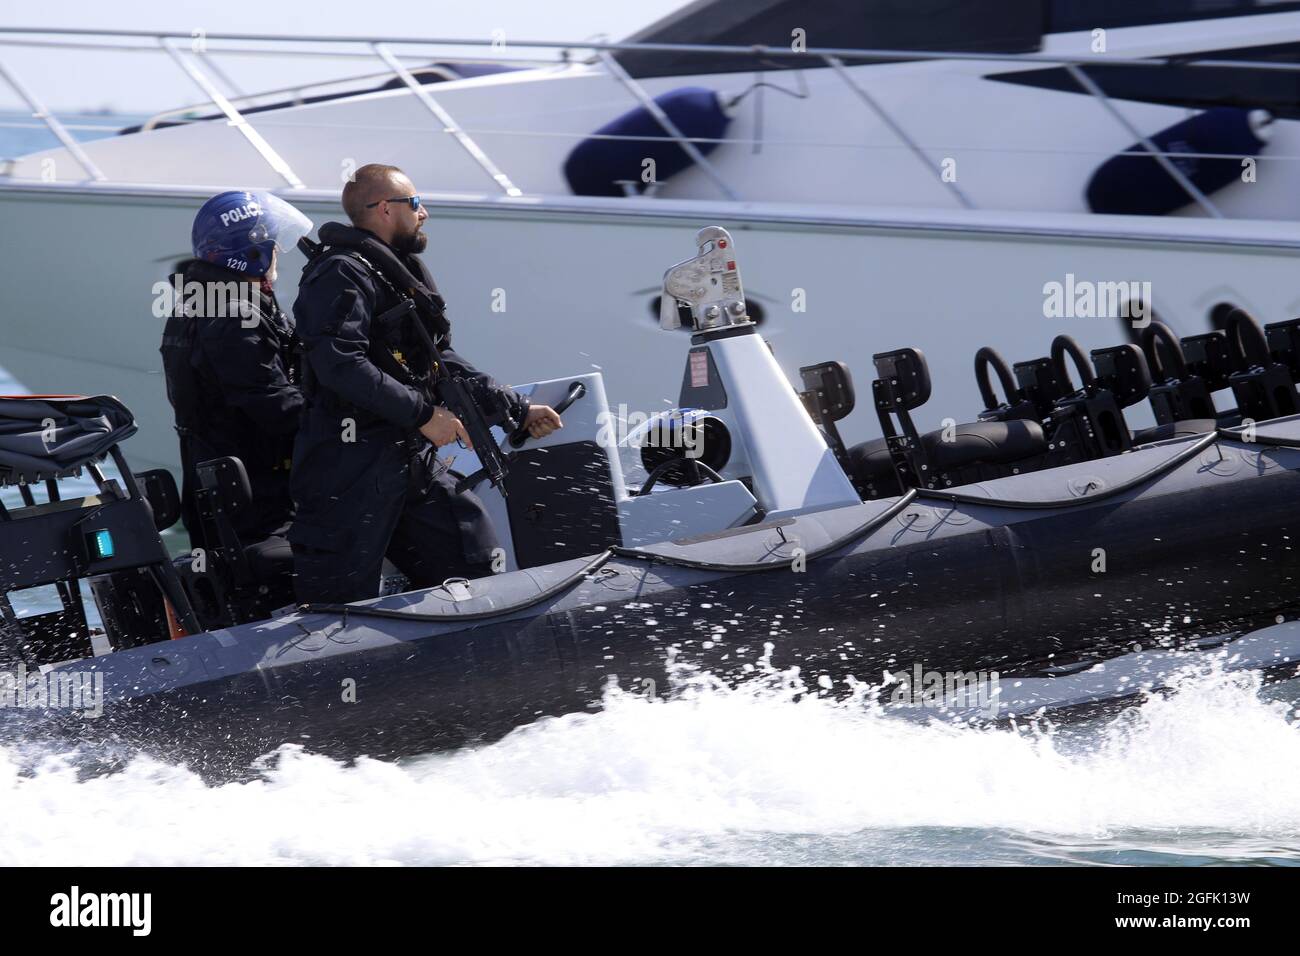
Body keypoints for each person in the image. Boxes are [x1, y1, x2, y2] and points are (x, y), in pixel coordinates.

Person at [289, 163, 562, 604]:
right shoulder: (341, 273)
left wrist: (515, 407)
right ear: (382, 209)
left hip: (411, 460)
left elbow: (439, 359)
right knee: (337, 605)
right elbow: (339, 364)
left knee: (474, 565)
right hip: (350, 466)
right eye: (414, 202)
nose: (424, 213)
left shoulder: (395, 273)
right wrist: (424, 416)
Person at [160, 190, 312, 548]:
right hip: (258, 504)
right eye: (274, 243)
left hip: (218, 493)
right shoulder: (235, 315)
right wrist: (346, 419)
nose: (278, 253)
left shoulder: (197, 304)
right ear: (253, 251)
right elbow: (272, 404)